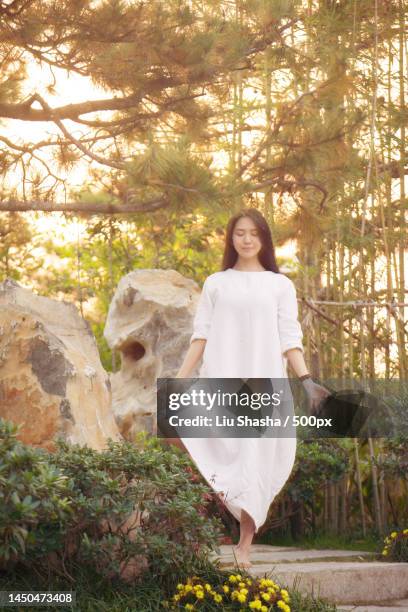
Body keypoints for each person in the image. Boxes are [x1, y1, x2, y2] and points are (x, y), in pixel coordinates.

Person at [163, 208, 330, 568]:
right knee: (183, 438)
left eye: (254, 233)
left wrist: (306, 381)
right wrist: (179, 379)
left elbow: (290, 339)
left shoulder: (279, 285)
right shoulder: (216, 283)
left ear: (265, 239)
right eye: (240, 232)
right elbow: (201, 335)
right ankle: (192, 528)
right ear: (231, 238)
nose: (247, 239)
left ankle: (244, 545)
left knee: (253, 459)